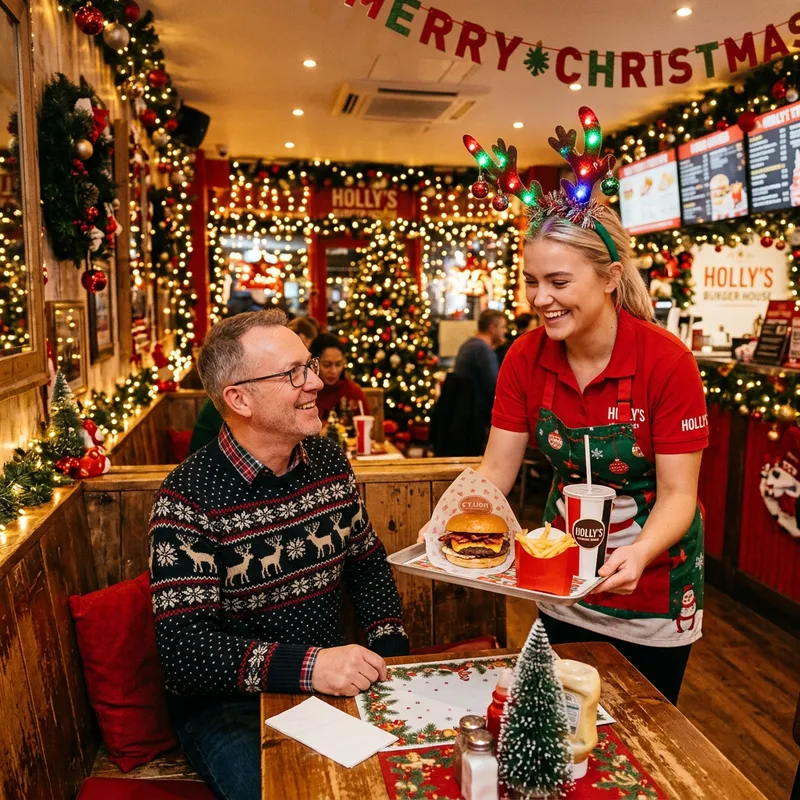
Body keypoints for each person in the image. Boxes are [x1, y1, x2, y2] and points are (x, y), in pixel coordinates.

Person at [425, 108, 707, 705]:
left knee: (645, 746)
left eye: (558, 282)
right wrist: (449, 523)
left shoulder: (667, 362)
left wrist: (641, 552)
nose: (539, 299)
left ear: (607, 278)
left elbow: (680, 495)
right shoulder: (525, 358)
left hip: (652, 589)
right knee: (562, 729)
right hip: (559, 577)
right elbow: (498, 470)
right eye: (531, 281)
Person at [149, 310, 409, 799]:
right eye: (294, 373)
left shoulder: (329, 460)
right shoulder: (187, 498)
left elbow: (368, 562)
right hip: (231, 706)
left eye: (308, 365)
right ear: (239, 398)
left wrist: (390, 654)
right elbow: (183, 650)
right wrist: (311, 666)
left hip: (332, 682)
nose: (314, 382)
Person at [189, 316, 321, 455]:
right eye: (292, 371)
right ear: (240, 400)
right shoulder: (195, 476)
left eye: (308, 364)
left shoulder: (330, 457)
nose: (318, 383)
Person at [453, 309, 507, 432]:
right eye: (503, 327)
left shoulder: (469, 344)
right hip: (475, 419)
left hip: (462, 416)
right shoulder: (483, 351)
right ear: (492, 328)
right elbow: (497, 388)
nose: (505, 331)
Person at [309, 332, 370, 425]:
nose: (333, 371)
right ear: (314, 364)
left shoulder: (353, 392)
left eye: (338, 364)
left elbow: (366, 428)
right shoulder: (306, 390)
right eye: (327, 365)